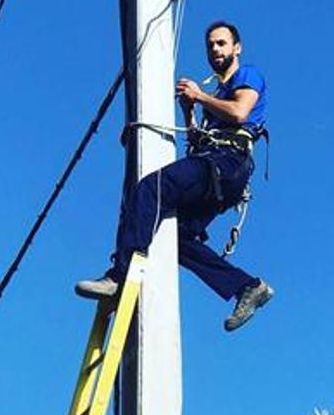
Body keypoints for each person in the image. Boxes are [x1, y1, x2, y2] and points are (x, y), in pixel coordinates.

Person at [75, 21, 273, 332]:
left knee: (150, 188)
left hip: (228, 162)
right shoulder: (218, 94)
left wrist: (201, 95)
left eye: (221, 43)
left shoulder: (246, 75)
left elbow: (239, 114)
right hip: (216, 167)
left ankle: (120, 274)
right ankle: (247, 287)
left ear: (237, 47)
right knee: (175, 239)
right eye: (210, 45)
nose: (215, 50)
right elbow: (197, 141)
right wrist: (189, 111)